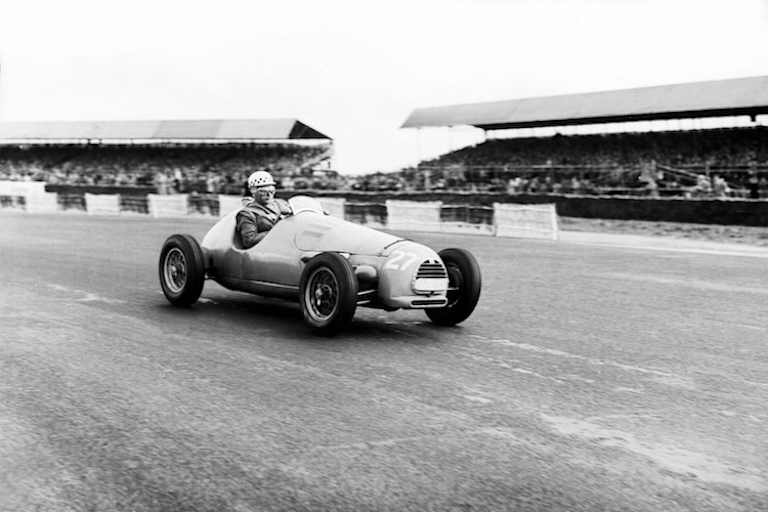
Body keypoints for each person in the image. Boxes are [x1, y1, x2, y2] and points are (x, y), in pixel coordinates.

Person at [236, 170, 292, 249]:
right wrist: (277, 231)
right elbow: (249, 241)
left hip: (288, 247)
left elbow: (294, 215)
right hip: (265, 253)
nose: (269, 195)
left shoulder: (278, 204)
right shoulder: (247, 213)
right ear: (253, 190)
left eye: (272, 191)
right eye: (264, 191)